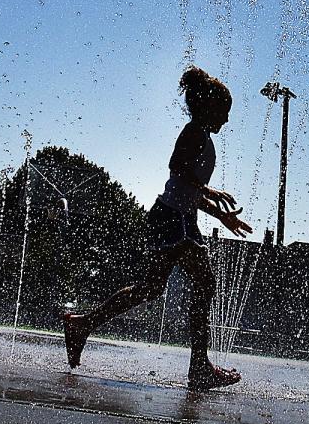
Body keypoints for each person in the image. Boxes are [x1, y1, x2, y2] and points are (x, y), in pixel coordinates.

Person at [62, 64, 252, 389]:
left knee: (151, 288)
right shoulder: (193, 132)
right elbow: (176, 169)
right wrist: (207, 191)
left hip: (175, 217)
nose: (227, 119)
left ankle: (83, 324)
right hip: (172, 219)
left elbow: (185, 189)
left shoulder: (202, 135)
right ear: (208, 107)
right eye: (224, 111)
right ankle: (199, 367)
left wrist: (220, 215)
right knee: (204, 284)